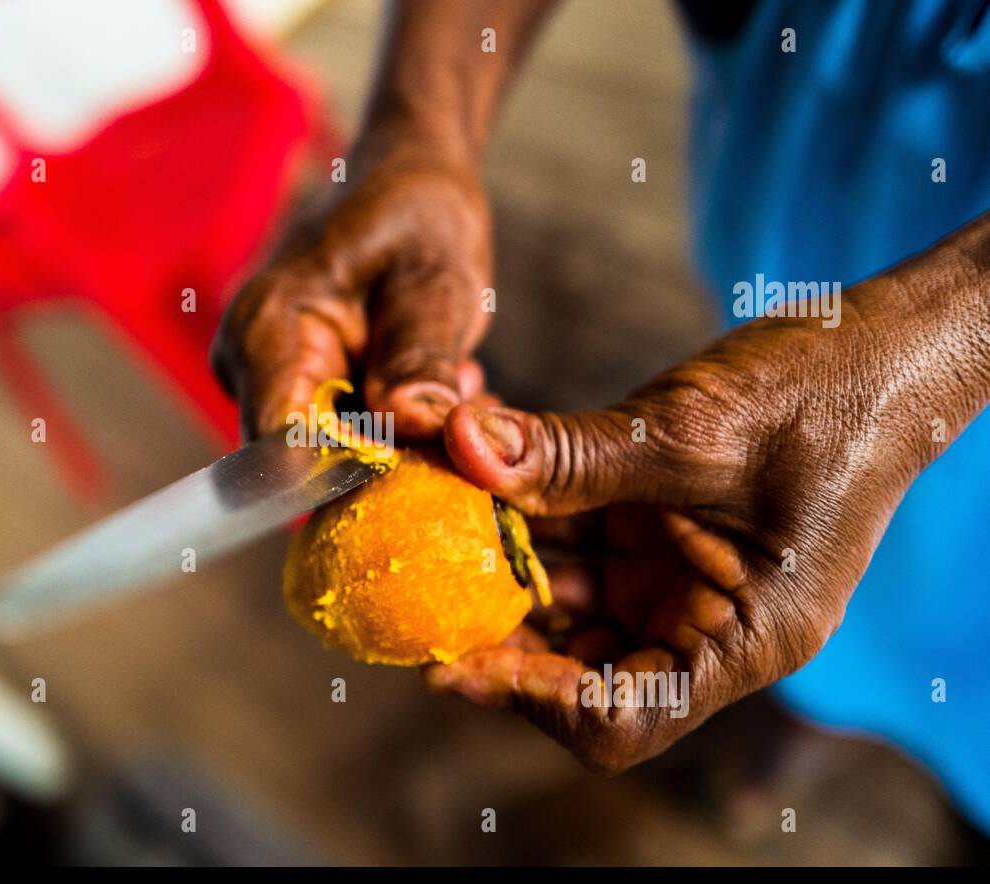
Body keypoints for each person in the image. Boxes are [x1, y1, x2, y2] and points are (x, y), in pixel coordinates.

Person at [211, 0, 990, 831]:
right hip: (807, 141)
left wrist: (945, 339)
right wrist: (420, 132)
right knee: (804, 587)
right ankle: (810, 707)